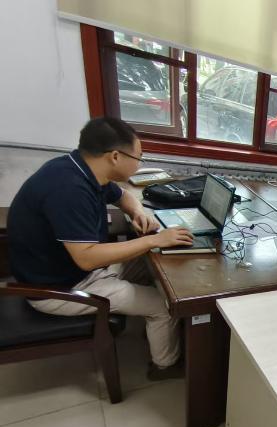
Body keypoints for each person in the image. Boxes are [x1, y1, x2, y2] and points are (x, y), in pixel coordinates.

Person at [8, 117, 194, 380]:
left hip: (73, 271)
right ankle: (164, 366)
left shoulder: (82, 169)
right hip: (58, 289)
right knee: (164, 306)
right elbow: (86, 259)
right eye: (138, 158)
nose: (140, 165)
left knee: (151, 262)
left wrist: (139, 213)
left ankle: (156, 330)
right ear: (115, 156)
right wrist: (153, 240)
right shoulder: (69, 190)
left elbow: (124, 196)